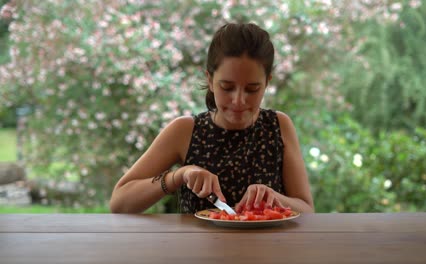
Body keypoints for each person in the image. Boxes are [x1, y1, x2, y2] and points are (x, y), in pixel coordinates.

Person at [110, 22, 314, 214]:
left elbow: (306, 209)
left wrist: (274, 198)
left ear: (267, 82)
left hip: (268, 251)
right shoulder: (185, 130)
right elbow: (119, 203)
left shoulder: (278, 125)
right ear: (209, 80)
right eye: (227, 87)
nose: (238, 100)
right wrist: (178, 176)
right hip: (198, 251)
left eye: (252, 89)